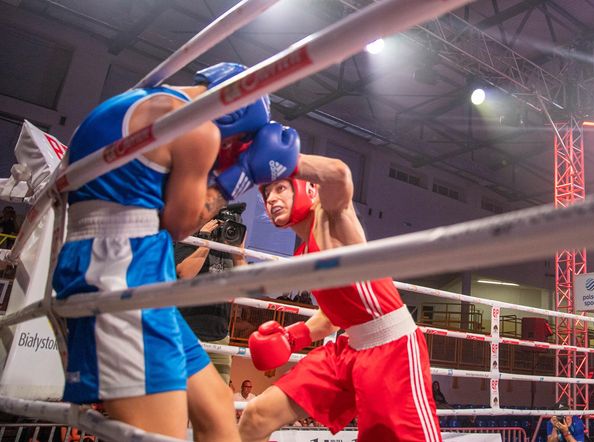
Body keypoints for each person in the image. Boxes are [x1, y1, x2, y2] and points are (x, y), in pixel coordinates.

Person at [52, 62, 300, 440]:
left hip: (121, 265)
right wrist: (243, 173)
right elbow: (182, 225)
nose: (227, 151)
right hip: (123, 274)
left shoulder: (132, 101)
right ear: (233, 114)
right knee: (160, 434)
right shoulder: (198, 128)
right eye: (235, 143)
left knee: (218, 411)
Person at [238, 154, 442, 442]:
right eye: (267, 192)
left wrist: (283, 157)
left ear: (309, 189)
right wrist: (294, 337)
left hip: (391, 351)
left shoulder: (330, 217)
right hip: (347, 352)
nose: (271, 198)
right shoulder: (305, 252)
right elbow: (336, 314)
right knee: (256, 416)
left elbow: (338, 173)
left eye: (281, 187)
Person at [175, 215, 247, 384]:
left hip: (220, 336)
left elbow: (244, 287)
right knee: (182, 397)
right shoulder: (190, 238)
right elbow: (185, 274)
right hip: (188, 332)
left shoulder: (229, 249)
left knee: (219, 400)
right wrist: (206, 242)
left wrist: (238, 253)